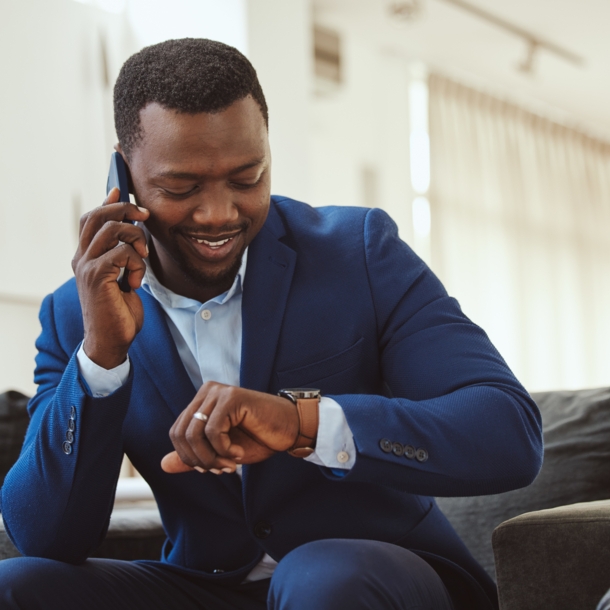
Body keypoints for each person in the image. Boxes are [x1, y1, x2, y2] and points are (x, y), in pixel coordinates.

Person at [0, 38, 542, 610]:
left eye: (246, 178)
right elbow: (45, 538)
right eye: (181, 188)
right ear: (125, 173)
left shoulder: (357, 252)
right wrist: (101, 359)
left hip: (371, 573)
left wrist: (303, 423)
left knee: (322, 575)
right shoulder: (75, 312)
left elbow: (508, 433)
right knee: (18, 588)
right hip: (209, 583)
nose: (218, 214)